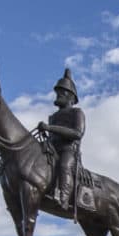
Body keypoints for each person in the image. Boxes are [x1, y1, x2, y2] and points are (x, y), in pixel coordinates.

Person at [38, 68, 85, 209]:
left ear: (71, 96)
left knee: (64, 166)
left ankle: (63, 198)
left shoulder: (77, 112)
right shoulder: (53, 117)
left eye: (62, 92)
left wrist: (49, 128)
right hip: (52, 149)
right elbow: (51, 136)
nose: (58, 94)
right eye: (58, 91)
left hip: (69, 150)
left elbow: (77, 133)